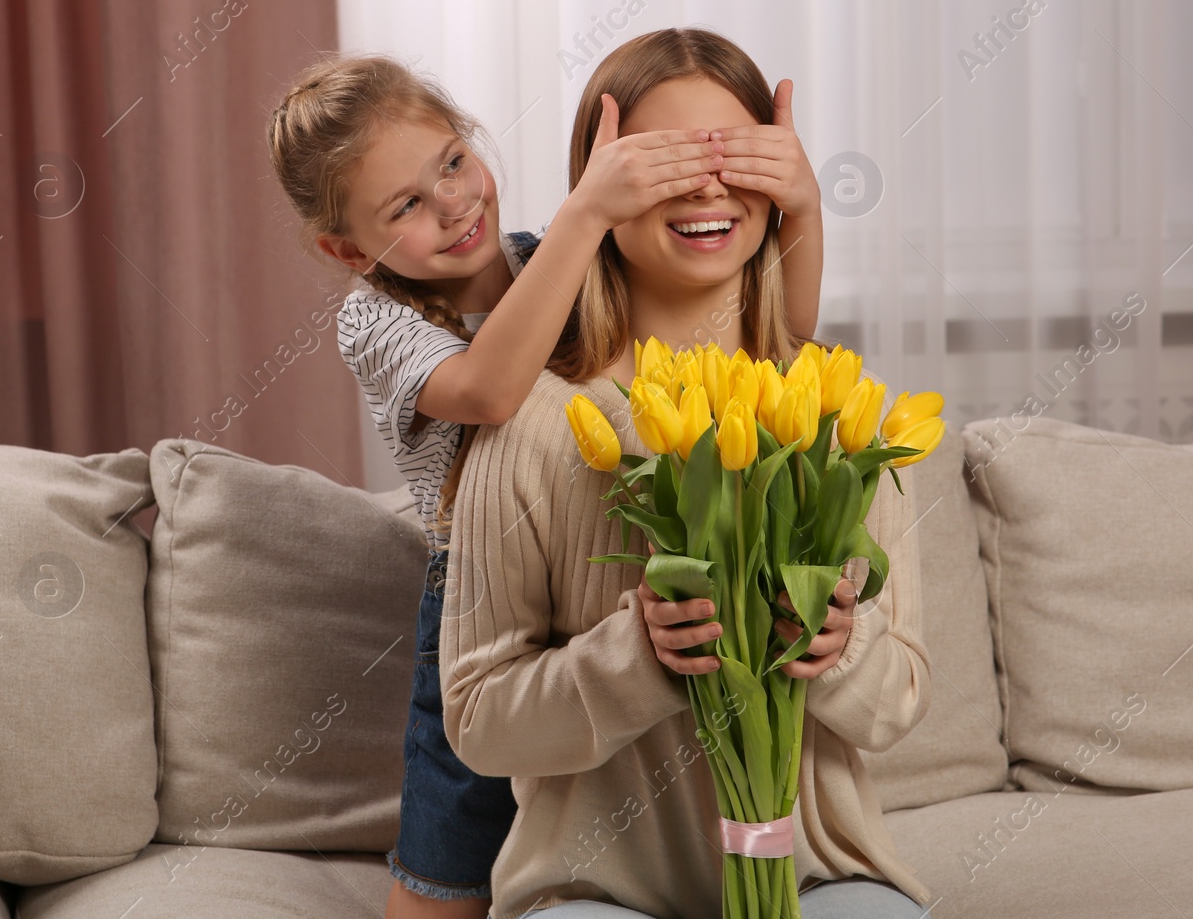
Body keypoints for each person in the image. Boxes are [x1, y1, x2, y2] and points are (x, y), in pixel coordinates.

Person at [266, 52, 825, 918]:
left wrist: (800, 205)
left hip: (582, 567)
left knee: (582, 812)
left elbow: (776, 333)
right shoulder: (375, 319)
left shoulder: (551, 254)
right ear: (347, 249)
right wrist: (589, 212)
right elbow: (490, 391)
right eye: (405, 205)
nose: (453, 203)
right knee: (446, 865)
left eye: (453, 161)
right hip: (475, 599)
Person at [440, 28, 933, 918]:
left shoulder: (835, 408)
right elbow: (476, 720)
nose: (708, 185)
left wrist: (839, 649)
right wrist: (637, 656)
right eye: (666, 160)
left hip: (818, 879)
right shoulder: (537, 427)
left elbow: (900, 700)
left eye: (736, 155)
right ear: (599, 188)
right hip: (595, 892)